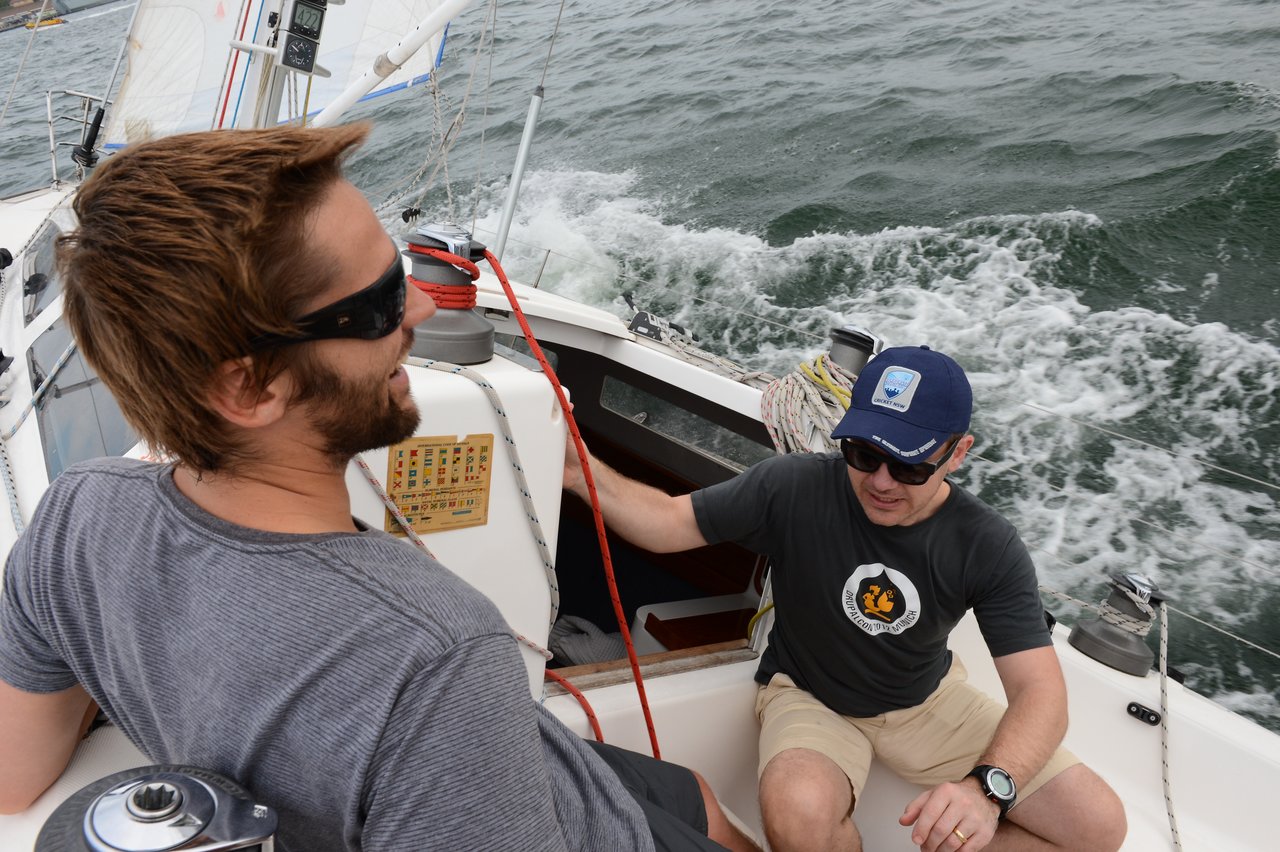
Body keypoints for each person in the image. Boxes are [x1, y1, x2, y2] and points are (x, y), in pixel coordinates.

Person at [0, 123, 758, 852]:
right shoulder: (434, 650)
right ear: (250, 388)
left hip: (531, 764)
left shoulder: (75, 518)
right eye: (383, 300)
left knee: (697, 795)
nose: (423, 310)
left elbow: (13, 777)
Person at [563, 345, 1128, 852]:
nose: (881, 481)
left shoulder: (987, 543)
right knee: (797, 816)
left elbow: (1040, 692)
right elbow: (668, 522)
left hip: (925, 702)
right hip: (810, 694)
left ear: (957, 453)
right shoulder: (791, 485)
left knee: (1099, 827)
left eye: (909, 464)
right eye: (863, 453)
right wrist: (574, 467)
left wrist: (987, 790)